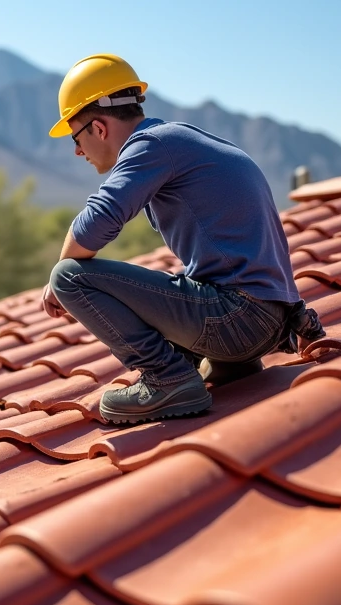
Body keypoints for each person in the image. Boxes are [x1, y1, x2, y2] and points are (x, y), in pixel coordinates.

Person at [40, 53, 324, 424]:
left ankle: (166, 377)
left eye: (76, 137)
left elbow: (97, 222)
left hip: (238, 320)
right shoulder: (183, 140)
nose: (77, 150)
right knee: (175, 283)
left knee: (68, 276)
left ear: (99, 128)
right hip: (266, 322)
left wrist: (55, 283)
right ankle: (218, 365)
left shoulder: (151, 146)